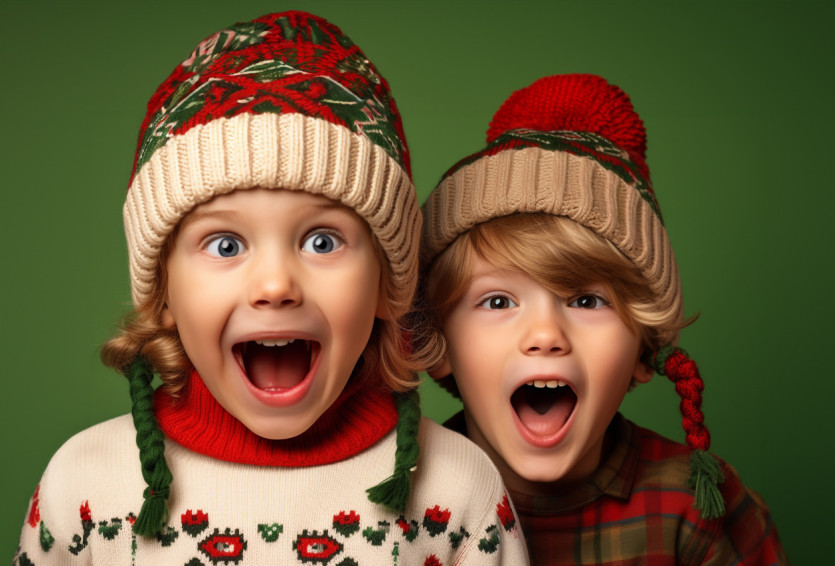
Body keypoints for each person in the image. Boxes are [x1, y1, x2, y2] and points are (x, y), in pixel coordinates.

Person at [14, 11, 528, 565]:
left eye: (323, 242)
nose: (276, 285)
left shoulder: (457, 489)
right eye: (226, 245)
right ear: (164, 294)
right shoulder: (84, 485)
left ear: (387, 287)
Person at [416, 74, 787, 564]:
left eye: (587, 301)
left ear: (644, 349)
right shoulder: (401, 497)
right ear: (436, 344)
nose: (545, 336)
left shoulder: (695, 512)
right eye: (499, 302)